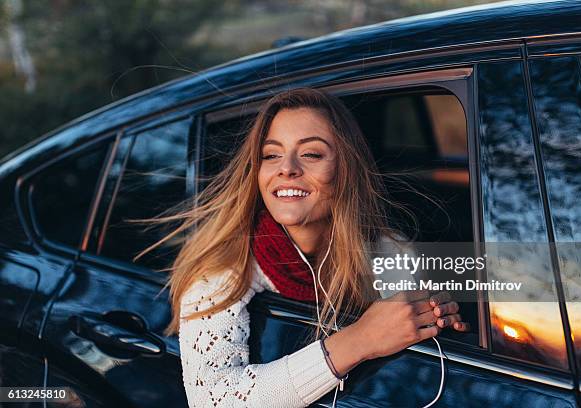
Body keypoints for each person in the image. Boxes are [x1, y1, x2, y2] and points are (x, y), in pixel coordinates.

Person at [154, 88, 469, 407]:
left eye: (311, 154)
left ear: (345, 169)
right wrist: (360, 339)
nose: (286, 168)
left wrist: (434, 315)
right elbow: (211, 399)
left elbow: (413, 327)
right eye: (271, 155)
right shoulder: (222, 267)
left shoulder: (389, 250)